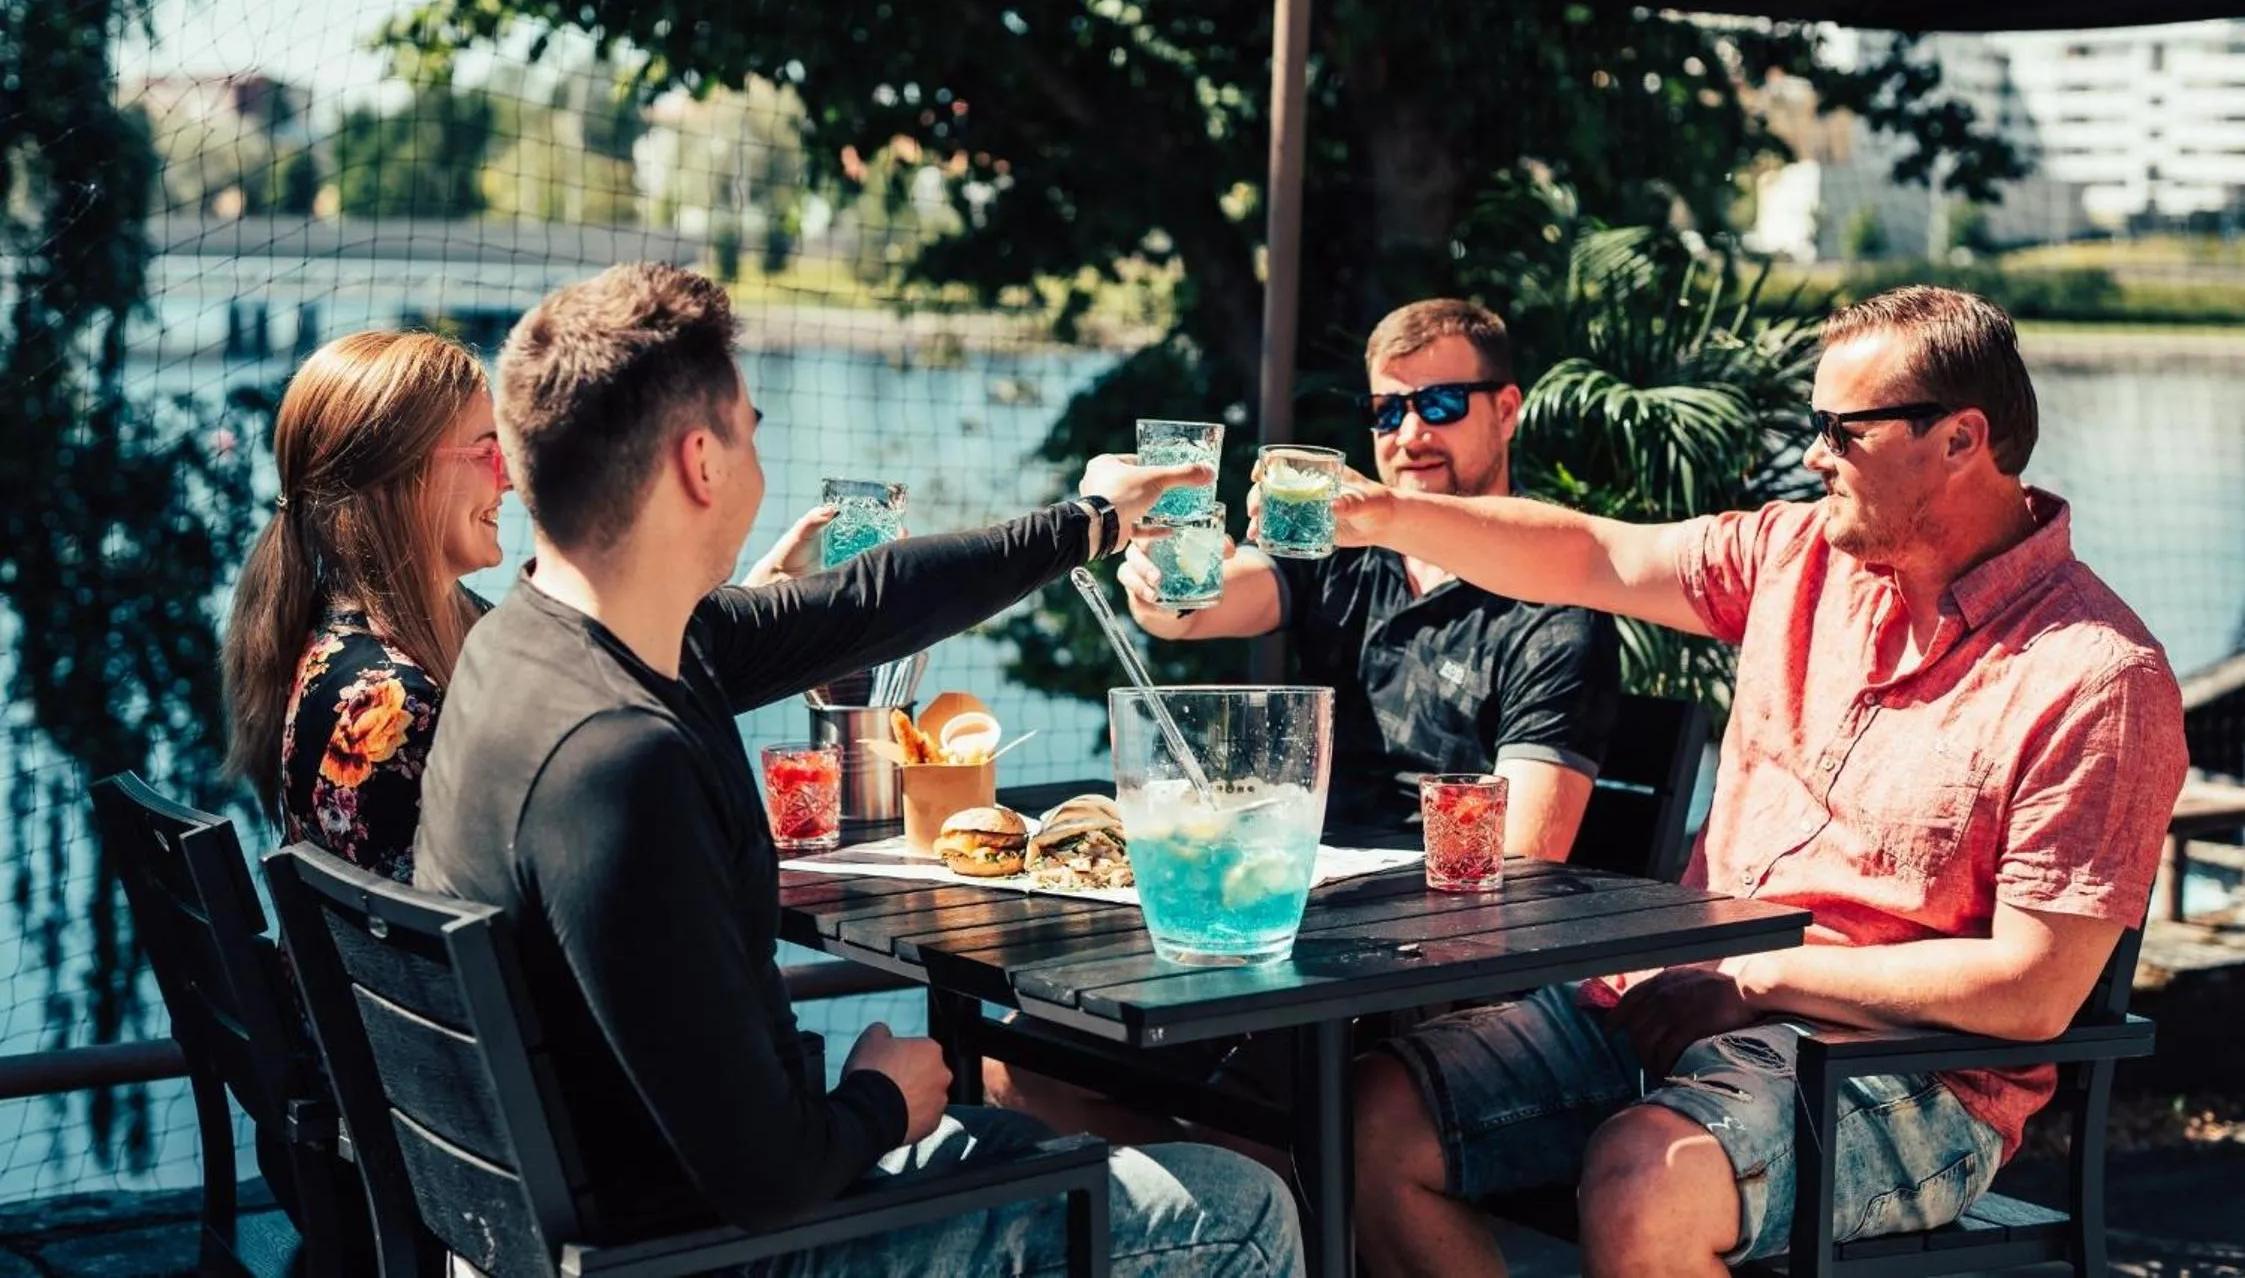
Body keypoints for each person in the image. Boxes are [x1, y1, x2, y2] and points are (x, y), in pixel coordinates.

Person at [413, 263, 1305, 1277]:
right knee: (1231, 1205)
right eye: (752, 426)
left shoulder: (528, 644)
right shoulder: (618, 764)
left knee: (1052, 1147)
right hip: (713, 1253)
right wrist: (884, 1094)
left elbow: (863, 601)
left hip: (582, 1226)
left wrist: (1090, 520)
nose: (760, 455)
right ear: (701, 460)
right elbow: (770, 1175)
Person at [1292, 285, 2188, 1277]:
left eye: (1841, 431)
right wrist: (1381, 514)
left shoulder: (2094, 676)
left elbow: (2029, 990)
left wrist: (1756, 975)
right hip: (1677, 996)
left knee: (1644, 1178)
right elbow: (1592, 549)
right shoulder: (1793, 557)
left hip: (1910, 1074)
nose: (1812, 456)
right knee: (1365, 1120)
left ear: (1960, 437)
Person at [1123, 299, 1620, 852]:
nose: (1409, 434)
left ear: (1506, 412)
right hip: (1303, 872)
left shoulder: (1552, 600)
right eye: (1387, 409)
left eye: (1441, 404)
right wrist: (1162, 581)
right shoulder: (1344, 550)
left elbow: (1525, 856)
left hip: (1437, 909)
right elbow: (1190, 615)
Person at [222, 330, 511, 882]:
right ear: (398, 476)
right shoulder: (401, 707)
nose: (511, 479)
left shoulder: (325, 627)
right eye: (485, 451)